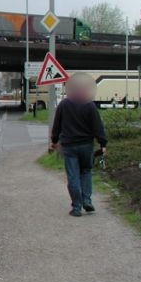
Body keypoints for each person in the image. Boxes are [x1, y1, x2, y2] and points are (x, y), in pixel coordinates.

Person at [50, 73, 108, 217]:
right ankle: (87, 201)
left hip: (69, 146)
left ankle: (76, 207)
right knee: (86, 172)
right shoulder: (89, 105)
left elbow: (56, 125)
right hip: (86, 146)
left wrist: (54, 141)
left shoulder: (63, 104)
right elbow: (98, 127)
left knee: (73, 176)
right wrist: (102, 143)